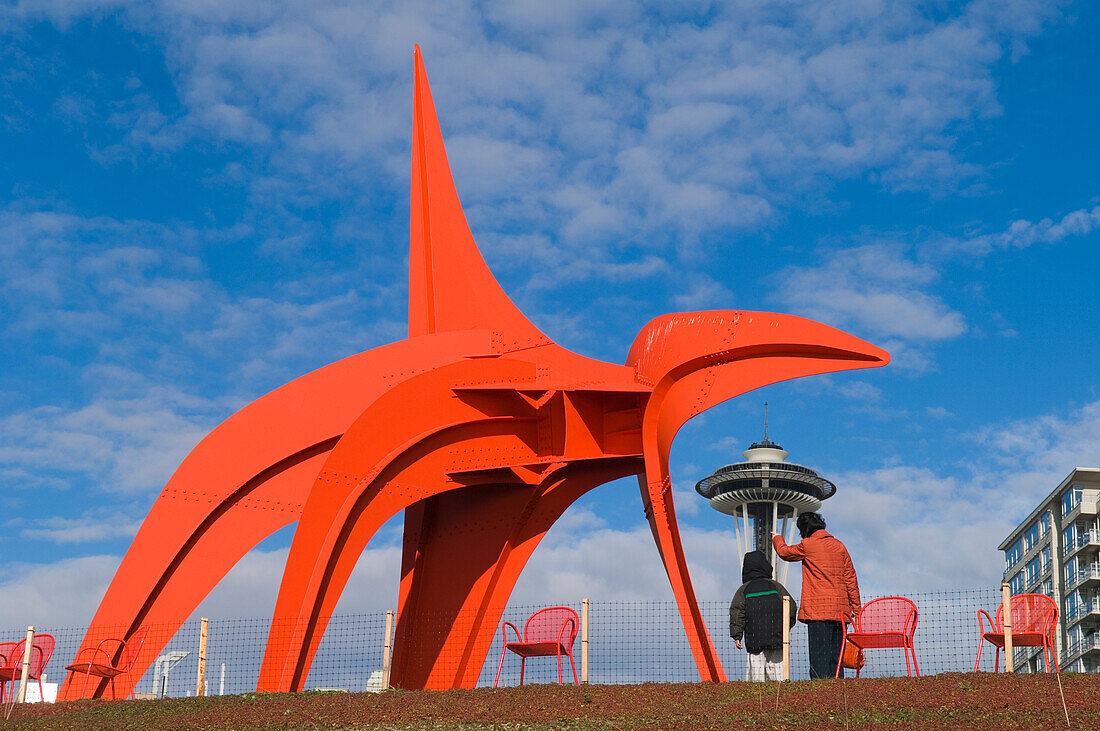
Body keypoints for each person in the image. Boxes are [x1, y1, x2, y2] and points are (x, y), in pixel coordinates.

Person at [772, 512, 861, 679]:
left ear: (804, 529)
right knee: (837, 655)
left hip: (818, 609)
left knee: (819, 653)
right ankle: (837, 688)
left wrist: (777, 538)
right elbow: (851, 578)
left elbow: (784, 552)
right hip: (841, 610)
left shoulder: (808, 545)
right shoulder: (839, 546)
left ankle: (819, 690)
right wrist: (856, 607)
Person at [729, 550, 798, 682]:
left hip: (754, 639)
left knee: (756, 674)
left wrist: (737, 635)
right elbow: (791, 606)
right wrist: (786, 627)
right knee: (778, 673)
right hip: (777, 638)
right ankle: (780, 695)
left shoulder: (743, 590)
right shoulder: (776, 586)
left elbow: (737, 612)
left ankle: (758, 697)